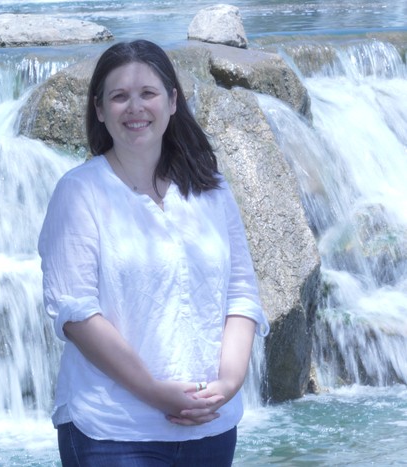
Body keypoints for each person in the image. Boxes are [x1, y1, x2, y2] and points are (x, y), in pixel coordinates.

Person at [38, 39, 269, 467]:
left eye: (148, 93)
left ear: (172, 101)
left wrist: (229, 383)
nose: (135, 107)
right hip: (113, 432)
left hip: (211, 427)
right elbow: (77, 315)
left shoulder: (210, 190)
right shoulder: (79, 193)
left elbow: (241, 294)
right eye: (119, 96)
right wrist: (154, 392)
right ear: (99, 109)